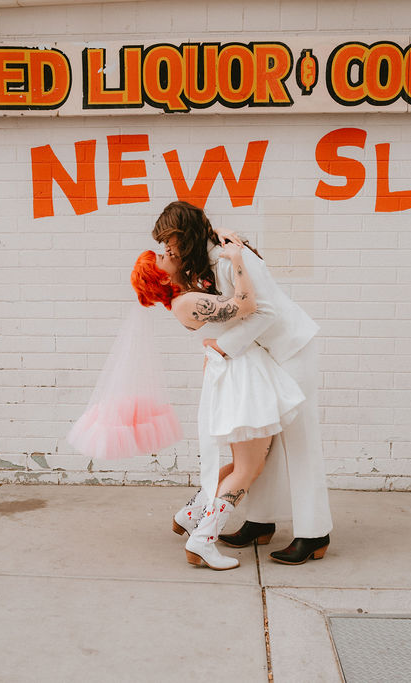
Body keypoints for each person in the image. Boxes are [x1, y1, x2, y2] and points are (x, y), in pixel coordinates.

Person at [153, 201, 333, 565]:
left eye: (170, 242)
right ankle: (259, 522)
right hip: (265, 354)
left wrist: (223, 347)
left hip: (291, 349)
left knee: (299, 443)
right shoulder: (212, 259)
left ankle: (314, 533)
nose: (167, 250)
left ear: (184, 234)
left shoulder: (225, 257)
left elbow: (263, 311)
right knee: (260, 443)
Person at [131, 244, 305, 571]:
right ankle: (203, 539)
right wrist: (237, 260)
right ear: (163, 279)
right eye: (162, 258)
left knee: (248, 461)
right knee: (247, 469)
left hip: (240, 371)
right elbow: (247, 305)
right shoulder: (188, 302)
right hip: (242, 375)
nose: (167, 252)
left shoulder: (189, 294)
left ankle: (193, 514)